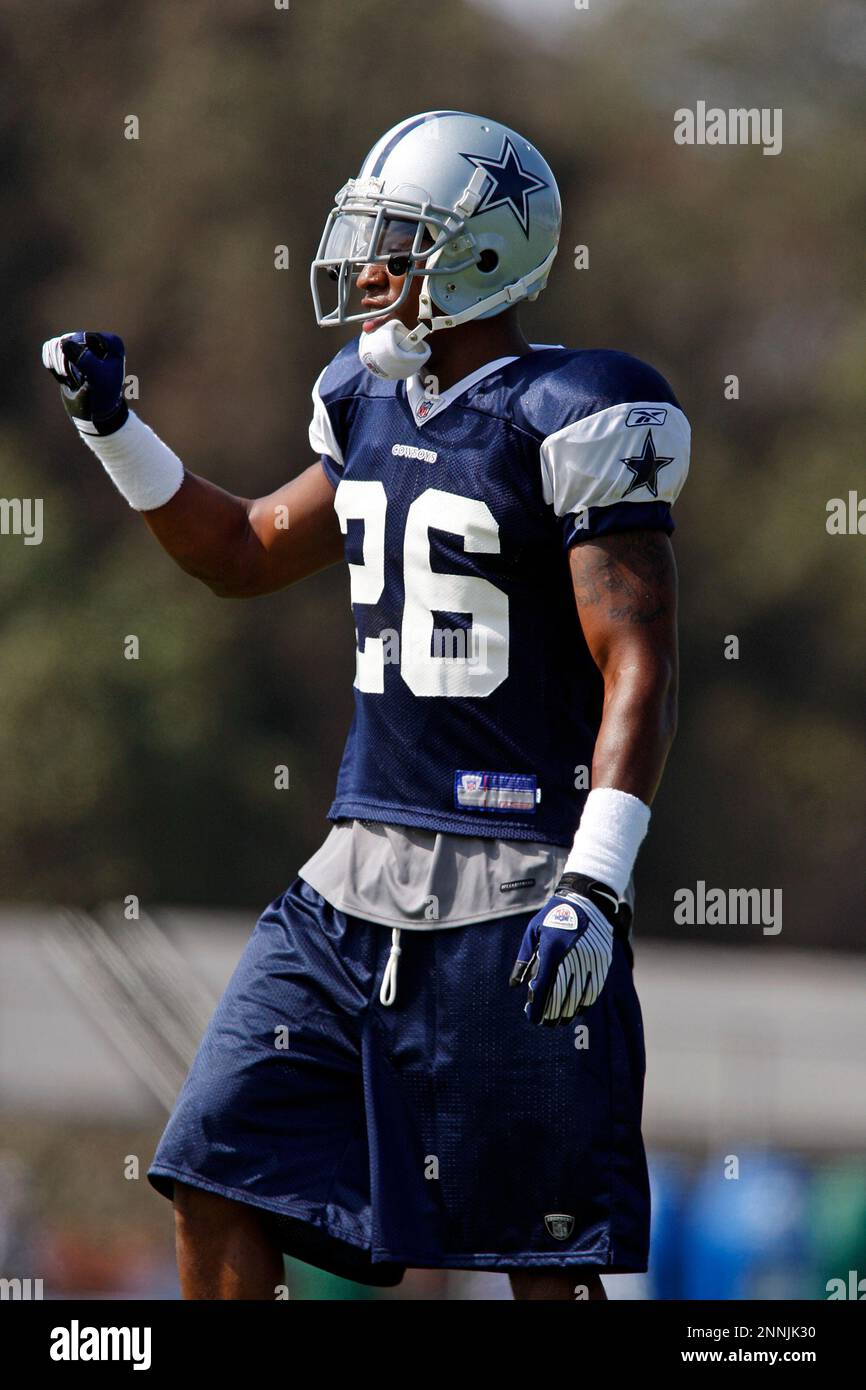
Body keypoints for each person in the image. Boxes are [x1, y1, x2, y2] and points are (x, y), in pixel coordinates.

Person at [41, 110, 690, 1301]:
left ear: (481, 253)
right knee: (214, 1172)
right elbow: (237, 550)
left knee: (544, 1261)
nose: (367, 265)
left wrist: (595, 885)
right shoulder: (361, 400)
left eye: (396, 240)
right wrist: (114, 428)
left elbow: (636, 663)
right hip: (348, 885)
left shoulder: (579, 412)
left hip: (516, 888)